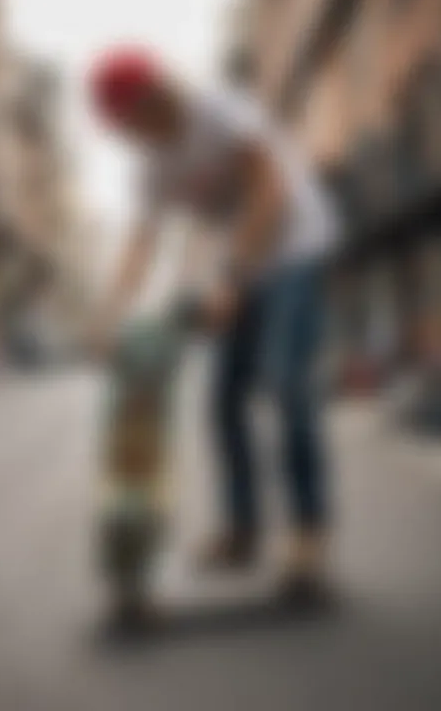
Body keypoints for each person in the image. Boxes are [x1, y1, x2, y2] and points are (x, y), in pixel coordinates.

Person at [89, 46, 340, 599]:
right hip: (243, 263)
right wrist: (110, 315)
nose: (128, 137)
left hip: (295, 245)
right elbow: (141, 242)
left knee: (285, 383)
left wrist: (232, 277)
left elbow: (268, 188)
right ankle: (243, 530)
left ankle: (309, 536)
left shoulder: (220, 110)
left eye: (127, 123)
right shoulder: (151, 163)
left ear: (153, 98)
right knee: (223, 399)